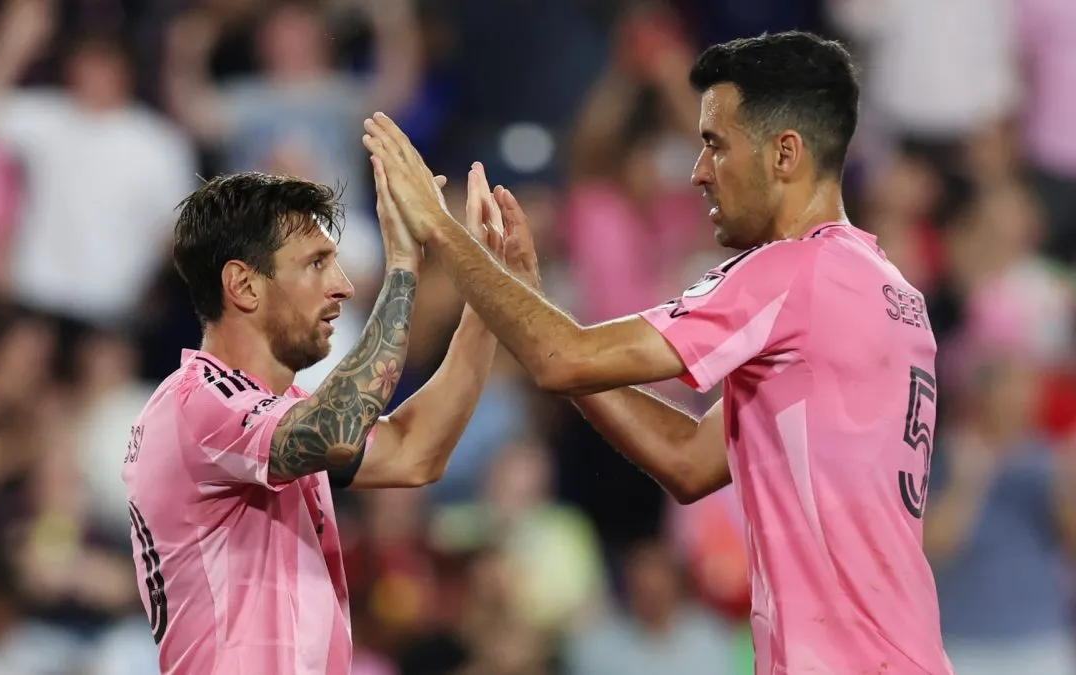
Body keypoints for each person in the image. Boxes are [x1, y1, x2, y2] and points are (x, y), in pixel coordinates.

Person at [364, 31, 953, 675]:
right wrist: (532, 303)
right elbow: (689, 461)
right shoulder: (888, 289)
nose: (698, 172)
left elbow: (563, 359)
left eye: (715, 146)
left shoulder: (790, 273)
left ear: (785, 153)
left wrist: (439, 230)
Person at [121, 160, 527, 674]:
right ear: (244, 285)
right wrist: (403, 265)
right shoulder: (197, 402)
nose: (342, 286)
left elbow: (414, 452)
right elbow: (336, 433)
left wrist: (486, 292)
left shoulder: (271, 410)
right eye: (316, 264)